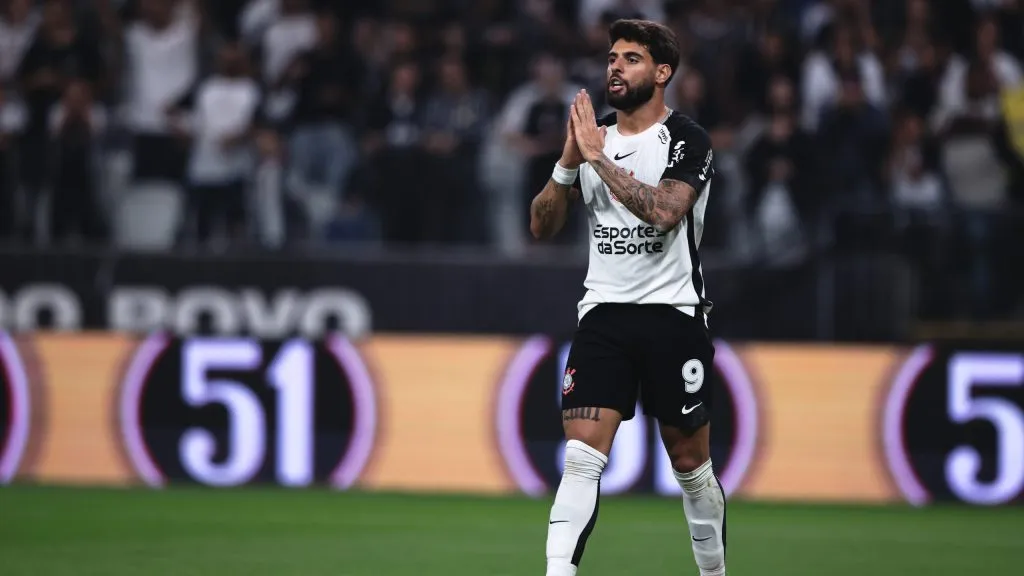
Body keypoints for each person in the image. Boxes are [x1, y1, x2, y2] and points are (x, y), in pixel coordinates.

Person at [528, 19, 723, 576]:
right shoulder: (592, 143)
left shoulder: (688, 140)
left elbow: (665, 212)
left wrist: (596, 159)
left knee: (690, 465)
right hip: (604, 316)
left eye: (631, 58)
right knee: (581, 457)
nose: (615, 65)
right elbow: (540, 226)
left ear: (662, 73)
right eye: (612, 57)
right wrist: (568, 163)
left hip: (674, 314)